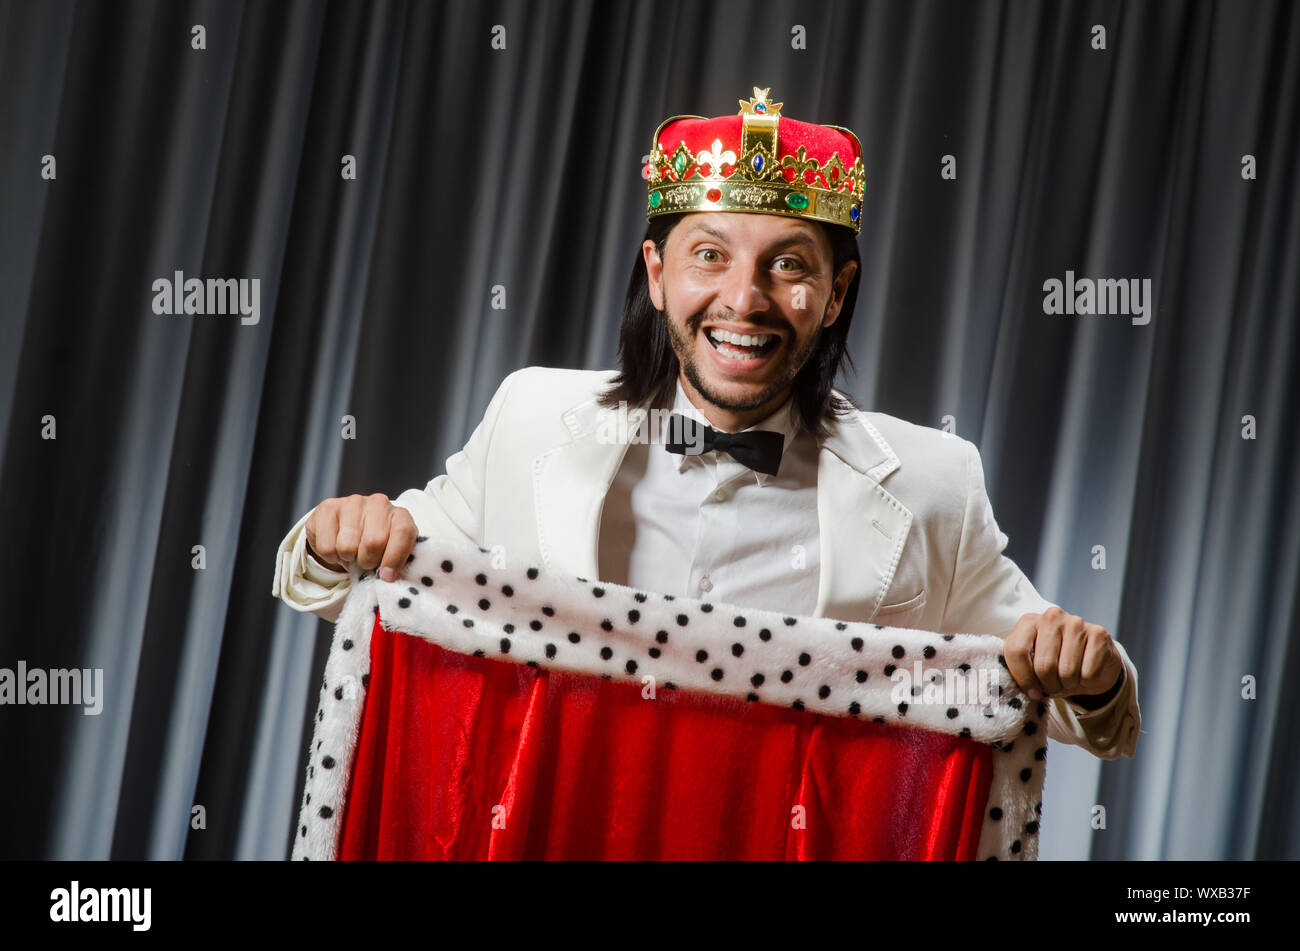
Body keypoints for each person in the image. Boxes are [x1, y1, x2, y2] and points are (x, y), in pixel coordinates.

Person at [272, 88, 1139, 760]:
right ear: (657, 273)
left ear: (835, 294)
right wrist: (334, 535)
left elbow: (1082, 708)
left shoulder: (934, 483)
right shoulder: (532, 418)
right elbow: (353, 578)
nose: (744, 299)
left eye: (789, 264)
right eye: (710, 255)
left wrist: (1090, 676)